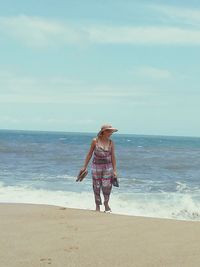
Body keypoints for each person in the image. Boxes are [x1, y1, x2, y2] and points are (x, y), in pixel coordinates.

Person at [79, 124, 118, 212]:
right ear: (103, 132)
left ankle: (106, 203)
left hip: (108, 167)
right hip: (96, 166)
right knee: (96, 186)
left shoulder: (111, 142)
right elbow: (89, 154)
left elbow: (113, 156)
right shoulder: (95, 141)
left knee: (107, 186)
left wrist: (115, 170)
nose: (110, 133)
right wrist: (84, 166)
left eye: (111, 131)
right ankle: (97, 206)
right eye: (109, 131)